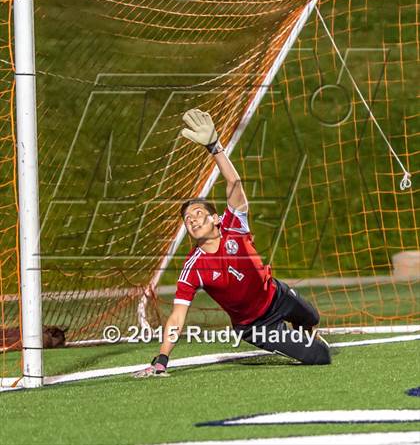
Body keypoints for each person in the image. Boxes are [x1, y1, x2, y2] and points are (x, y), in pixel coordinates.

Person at [134, 109, 331, 377]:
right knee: (319, 356)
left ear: (215, 218)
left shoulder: (234, 226)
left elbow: (234, 182)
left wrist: (214, 147)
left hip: (276, 295)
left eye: (198, 213)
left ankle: (301, 334)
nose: (192, 220)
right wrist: (162, 358)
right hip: (254, 325)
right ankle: (295, 343)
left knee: (312, 318)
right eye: (187, 219)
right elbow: (178, 317)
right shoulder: (193, 267)